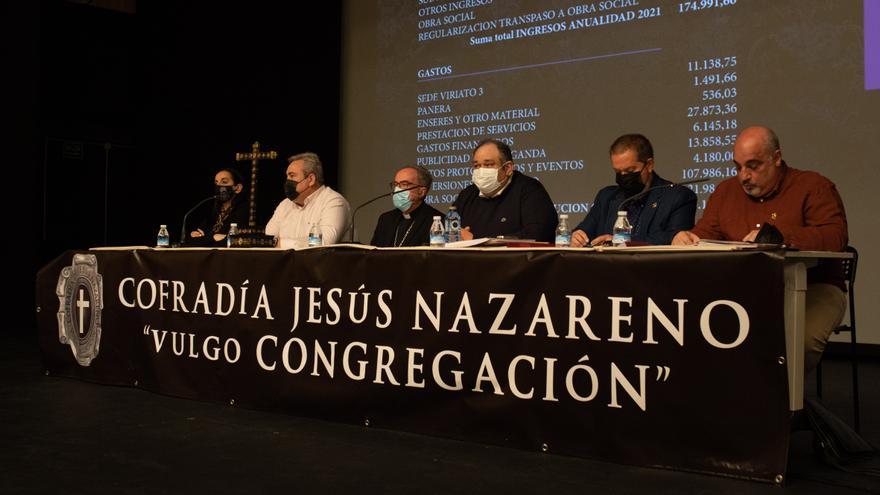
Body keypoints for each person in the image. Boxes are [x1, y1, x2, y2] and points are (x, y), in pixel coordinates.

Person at [672, 126, 848, 372]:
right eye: (738, 167)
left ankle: (785, 406)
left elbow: (835, 236)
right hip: (745, 291)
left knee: (799, 342)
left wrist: (778, 237)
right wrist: (688, 238)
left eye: (753, 166)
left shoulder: (813, 186)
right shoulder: (726, 192)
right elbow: (704, 235)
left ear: (776, 158)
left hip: (814, 286)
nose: (743, 176)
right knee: (691, 330)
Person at [571, 134, 696, 246]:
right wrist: (578, 235)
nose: (624, 177)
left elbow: (675, 238)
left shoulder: (678, 196)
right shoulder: (606, 197)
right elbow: (585, 229)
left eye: (630, 171)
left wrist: (621, 243)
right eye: (618, 172)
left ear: (649, 165)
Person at [453, 138, 557, 242]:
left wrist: (475, 239)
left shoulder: (530, 190)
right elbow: (449, 228)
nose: (481, 171)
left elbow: (539, 234)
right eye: (477, 166)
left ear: (508, 168)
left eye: (488, 164)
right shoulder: (467, 195)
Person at [265, 152, 352, 249]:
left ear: (311, 179)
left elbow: (323, 242)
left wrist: (282, 244)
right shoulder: (285, 204)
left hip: (323, 264)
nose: (287, 181)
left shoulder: (334, 201)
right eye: (287, 177)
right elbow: (268, 239)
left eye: (292, 176)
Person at [371, 165, 444, 247]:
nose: (397, 189)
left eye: (404, 184)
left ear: (421, 192)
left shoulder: (437, 222)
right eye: (396, 184)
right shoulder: (385, 219)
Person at [189, 167, 249, 247]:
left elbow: (238, 241)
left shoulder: (245, 211)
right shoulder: (212, 211)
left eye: (224, 182)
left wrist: (207, 238)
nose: (219, 186)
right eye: (216, 183)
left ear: (237, 188)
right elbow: (195, 239)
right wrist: (213, 237)